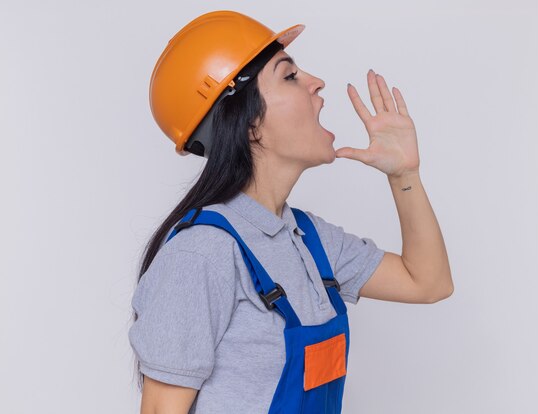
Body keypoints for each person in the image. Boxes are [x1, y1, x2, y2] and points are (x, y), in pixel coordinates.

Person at [128, 9, 454, 414]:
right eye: (290, 75)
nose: (317, 83)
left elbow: (429, 282)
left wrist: (405, 175)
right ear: (249, 125)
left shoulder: (308, 240)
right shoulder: (201, 255)